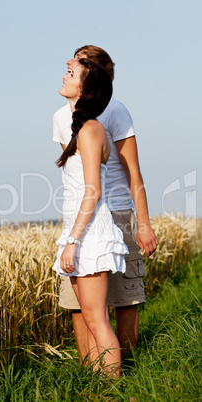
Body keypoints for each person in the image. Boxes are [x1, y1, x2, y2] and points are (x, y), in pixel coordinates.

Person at [53, 45, 158, 361]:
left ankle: (128, 368)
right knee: (79, 306)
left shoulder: (115, 112)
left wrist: (144, 224)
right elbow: (76, 176)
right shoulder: (61, 117)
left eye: (79, 60)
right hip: (81, 216)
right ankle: (92, 376)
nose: (69, 62)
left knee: (125, 298)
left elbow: (133, 172)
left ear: (93, 74)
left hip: (116, 213)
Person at [52, 58, 129, 376]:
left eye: (72, 73)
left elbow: (93, 191)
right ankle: (100, 387)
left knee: (97, 320)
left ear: (85, 89)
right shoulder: (82, 128)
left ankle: (112, 390)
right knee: (90, 317)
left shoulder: (90, 129)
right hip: (79, 230)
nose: (64, 74)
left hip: (88, 235)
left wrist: (72, 242)